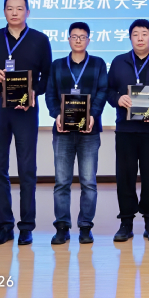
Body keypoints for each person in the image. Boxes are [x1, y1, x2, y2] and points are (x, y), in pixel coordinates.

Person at [0, 0, 52, 246]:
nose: (14, 13)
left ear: (27, 12)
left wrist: (34, 92)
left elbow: (47, 77)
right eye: (9, 8)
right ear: (4, 12)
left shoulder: (40, 40)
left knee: (27, 168)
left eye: (19, 9)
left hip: (26, 109)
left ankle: (26, 227)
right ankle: (4, 226)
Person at [107, 19, 149, 242]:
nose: (140, 38)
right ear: (130, 37)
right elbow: (108, 91)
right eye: (135, 34)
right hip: (125, 129)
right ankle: (126, 222)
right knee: (125, 176)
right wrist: (118, 99)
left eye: (144, 34)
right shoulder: (119, 62)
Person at [45, 22, 108, 245]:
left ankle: (85, 227)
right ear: (68, 39)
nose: (78, 40)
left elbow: (102, 91)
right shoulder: (57, 65)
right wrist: (56, 114)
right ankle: (62, 227)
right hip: (62, 131)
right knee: (62, 182)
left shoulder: (98, 64)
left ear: (89, 40)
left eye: (82, 36)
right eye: (74, 36)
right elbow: (50, 94)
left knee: (88, 182)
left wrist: (94, 114)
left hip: (89, 131)